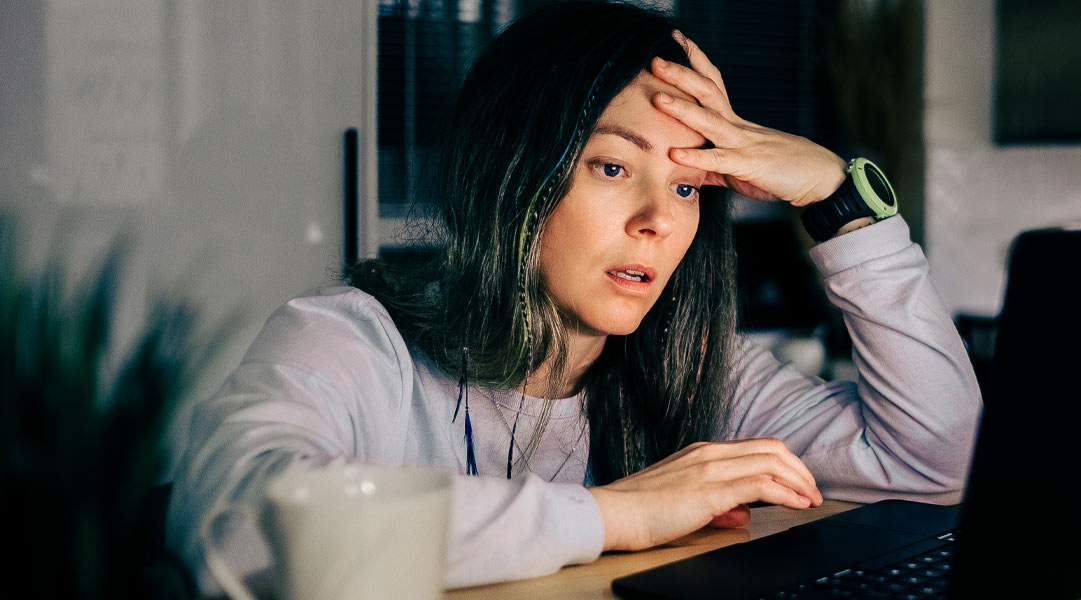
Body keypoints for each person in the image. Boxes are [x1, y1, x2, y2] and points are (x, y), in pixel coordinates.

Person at [167, 0, 981, 591]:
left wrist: (840, 201)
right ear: (514, 174)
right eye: (613, 167)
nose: (659, 219)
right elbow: (239, 527)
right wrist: (616, 516)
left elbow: (936, 462)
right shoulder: (350, 339)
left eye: (688, 186)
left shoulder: (698, 368)